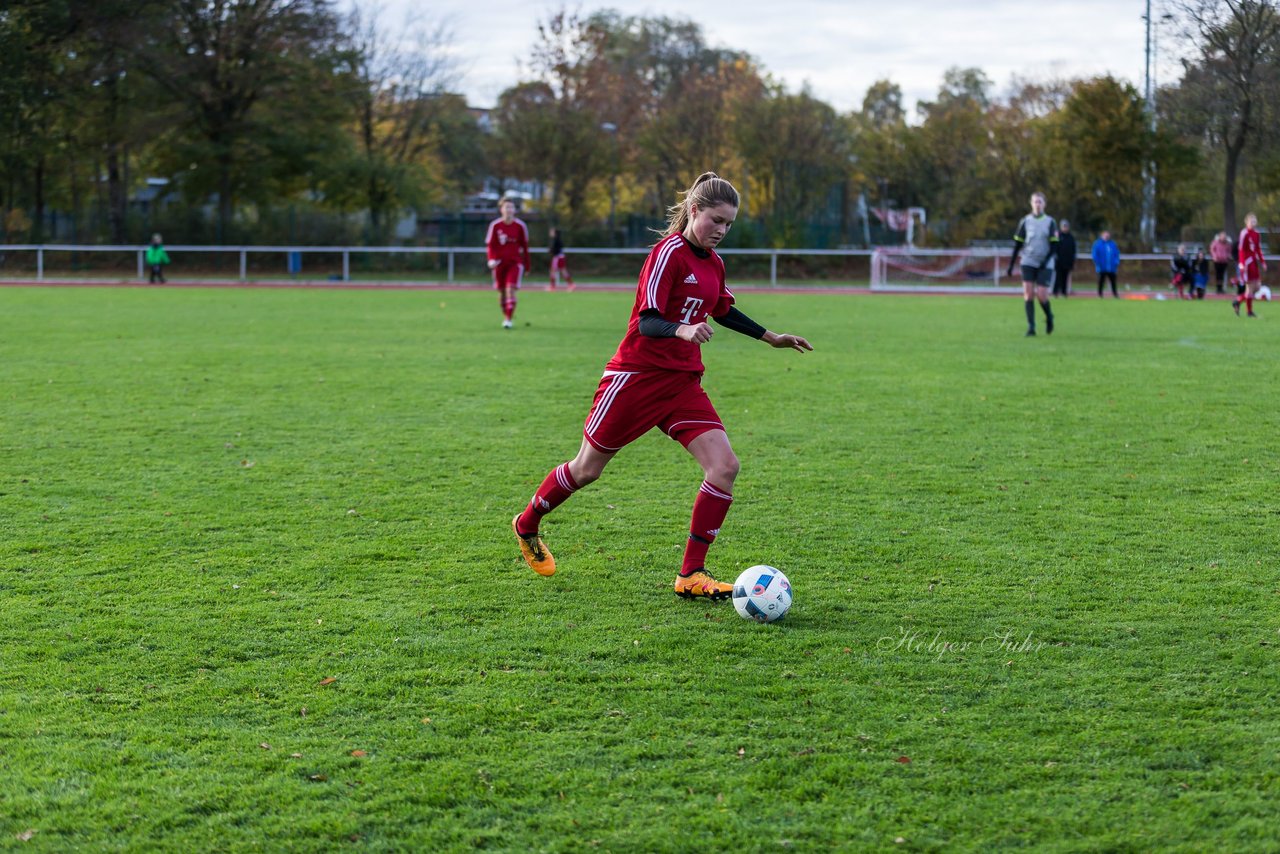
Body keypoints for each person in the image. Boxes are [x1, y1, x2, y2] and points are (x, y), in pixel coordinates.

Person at [511, 172, 813, 601]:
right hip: (635, 379)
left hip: (681, 385)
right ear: (694, 211)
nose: (722, 231)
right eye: (716, 220)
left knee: (724, 466)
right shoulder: (667, 253)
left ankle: (691, 574)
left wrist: (771, 337)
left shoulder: (715, 263)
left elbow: (723, 310)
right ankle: (526, 525)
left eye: (729, 224)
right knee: (587, 470)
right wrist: (683, 331)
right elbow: (647, 320)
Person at [1007, 191, 1058, 336]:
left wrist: (1046, 261)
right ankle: (1031, 327)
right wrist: (1011, 265)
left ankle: (1049, 316)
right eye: (1035, 201)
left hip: (1045, 262)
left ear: (1044, 204)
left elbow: (1054, 246)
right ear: (1031, 203)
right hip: (1028, 261)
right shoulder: (1025, 221)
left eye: (1040, 202)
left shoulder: (1050, 222)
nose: (1038, 204)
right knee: (1028, 294)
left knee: (1042, 295)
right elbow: (1018, 244)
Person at [485, 197, 531, 329]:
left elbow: (525, 247)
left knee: (510, 289)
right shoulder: (495, 226)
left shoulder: (520, 226)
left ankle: (508, 319)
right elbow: (490, 245)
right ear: (501, 209)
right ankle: (507, 314)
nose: (509, 210)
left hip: (515, 263)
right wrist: (491, 259)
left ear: (515, 210)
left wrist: (527, 265)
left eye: (511, 207)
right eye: (507, 207)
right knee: (502, 292)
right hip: (499, 264)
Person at [1233, 213, 1266, 318]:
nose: (1253, 223)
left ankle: (1238, 301)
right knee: (1250, 288)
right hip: (1247, 264)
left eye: (1254, 221)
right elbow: (1241, 249)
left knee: (1257, 287)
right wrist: (1242, 263)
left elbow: (1258, 250)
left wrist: (1263, 261)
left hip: (1254, 263)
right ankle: (1249, 311)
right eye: (1251, 221)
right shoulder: (1244, 233)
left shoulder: (1257, 234)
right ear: (1246, 222)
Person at [1091, 230, 1121, 298]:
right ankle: (1100, 294)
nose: (1106, 236)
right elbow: (1095, 255)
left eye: (1107, 235)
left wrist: (1116, 262)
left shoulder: (1113, 244)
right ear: (1102, 235)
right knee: (1101, 281)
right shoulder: (1098, 244)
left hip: (1111, 267)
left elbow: (1117, 254)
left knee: (1113, 281)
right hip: (1102, 267)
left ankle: (1115, 294)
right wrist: (1098, 263)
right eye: (1105, 235)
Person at [1053, 219, 1077, 297]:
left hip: (1068, 261)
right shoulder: (1058, 236)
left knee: (1065, 278)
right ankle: (1055, 292)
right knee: (1058, 277)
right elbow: (1054, 248)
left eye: (1066, 226)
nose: (1065, 228)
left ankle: (1064, 292)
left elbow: (1073, 250)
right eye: (1064, 226)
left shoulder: (1071, 237)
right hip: (1059, 261)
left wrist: (1072, 261)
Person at [548, 227, 576, 292]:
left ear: (555, 233)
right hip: (560, 257)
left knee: (553, 271)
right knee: (563, 271)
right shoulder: (557, 239)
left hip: (557, 257)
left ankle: (553, 287)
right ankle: (571, 284)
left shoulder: (556, 240)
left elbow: (556, 250)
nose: (550, 233)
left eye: (551, 231)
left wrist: (551, 250)